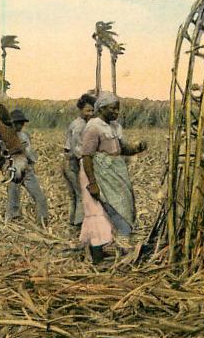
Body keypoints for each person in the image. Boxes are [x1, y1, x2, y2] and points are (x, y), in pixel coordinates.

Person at [79, 92, 147, 263]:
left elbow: (122, 149)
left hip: (115, 173)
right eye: (112, 108)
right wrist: (92, 183)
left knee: (123, 207)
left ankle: (119, 250)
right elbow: (87, 156)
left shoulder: (115, 127)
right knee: (102, 213)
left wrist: (137, 148)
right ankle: (100, 257)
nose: (116, 112)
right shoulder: (93, 126)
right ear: (101, 108)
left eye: (118, 109)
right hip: (98, 173)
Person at [6, 109, 48, 225]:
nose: (19, 125)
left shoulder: (25, 136)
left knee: (40, 198)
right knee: (13, 200)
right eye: (17, 123)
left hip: (27, 170)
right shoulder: (6, 137)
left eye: (21, 123)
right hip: (14, 171)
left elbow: (30, 154)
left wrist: (32, 163)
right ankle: (12, 223)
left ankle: (42, 222)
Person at [63, 93, 97, 226]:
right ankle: (79, 224)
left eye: (93, 110)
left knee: (74, 195)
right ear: (81, 110)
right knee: (81, 194)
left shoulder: (76, 123)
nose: (91, 113)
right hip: (73, 163)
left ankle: (72, 222)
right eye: (88, 110)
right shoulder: (80, 125)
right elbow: (78, 149)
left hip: (67, 161)